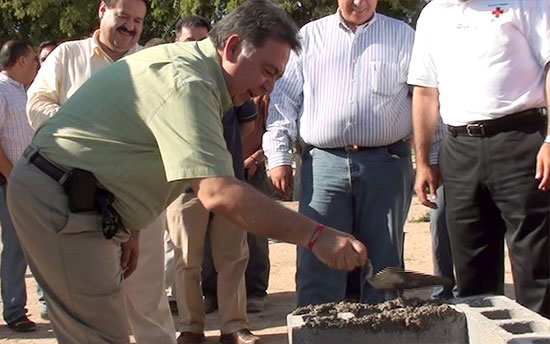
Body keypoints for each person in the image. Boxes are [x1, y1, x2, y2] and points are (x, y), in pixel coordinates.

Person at [7, 1, 367, 343]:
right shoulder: (189, 82)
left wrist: (127, 224)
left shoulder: (197, 73)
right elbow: (218, 192)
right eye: (267, 71)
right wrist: (317, 236)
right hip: (59, 197)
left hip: (87, 202)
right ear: (232, 47)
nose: (268, 87)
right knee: (101, 336)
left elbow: (128, 149)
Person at [26, 1, 177, 342]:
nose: (130, 27)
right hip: (79, 199)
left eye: (138, 21)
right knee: (89, 302)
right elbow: (37, 104)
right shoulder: (67, 55)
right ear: (102, 10)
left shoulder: (153, 64)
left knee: (147, 299)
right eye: (123, 16)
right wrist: (85, 137)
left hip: (140, 199)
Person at [264, 0, 415, 306]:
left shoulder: (403, 36)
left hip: (387, 163)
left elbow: (424, 97)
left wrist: (430, 159)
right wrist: (279, 156)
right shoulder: (308, 38)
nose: (359, 2)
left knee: (384, 260)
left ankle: (383, 331)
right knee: (317, 254)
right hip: (323, 164)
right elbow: (283, 101)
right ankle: (317, 331)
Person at [409, 0, 549, 318]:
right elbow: (426, 91)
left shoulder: (527, 3)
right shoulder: (432, 14)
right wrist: (425, 162)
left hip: (520, 140)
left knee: (535, 263)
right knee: (471, 266)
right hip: (459, 149)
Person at [167, 100, 259, 344]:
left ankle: (235, 327)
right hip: (183, 181)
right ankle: (191, 328)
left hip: (228, 179)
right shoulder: (174, 81)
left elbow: (247, 124)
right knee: (186, 259)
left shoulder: (230, 80)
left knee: (234, 257)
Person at [0, 40, 38, 333]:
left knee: (22, 246)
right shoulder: (1, 90)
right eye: (35, 59)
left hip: (20, 182)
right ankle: (14, 310)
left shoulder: (22, 92)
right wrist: (12, 176)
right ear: (21, 60)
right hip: (7, 182)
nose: (38, 65)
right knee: (15, 248)